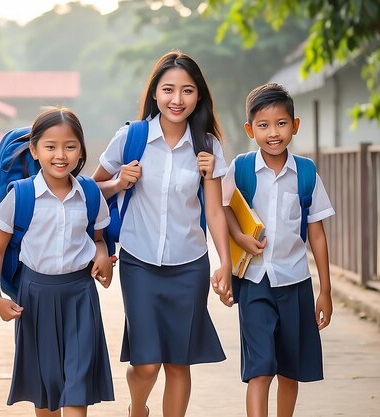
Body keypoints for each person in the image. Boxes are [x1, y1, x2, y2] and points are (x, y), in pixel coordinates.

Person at [93, 51, 233, 417]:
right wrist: (118, 181)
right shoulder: (130, 138)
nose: (177, 99)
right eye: (168, 89)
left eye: (187, 91)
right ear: (154, 92)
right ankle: (137, 407)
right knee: (147, 363)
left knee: (178, 361)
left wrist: (225, 262)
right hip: (139, 263)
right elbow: (88, 192)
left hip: (190, 266)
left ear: (198, 96)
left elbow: (215, 210)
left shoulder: (208, 147)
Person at [0, 107, 115, 417]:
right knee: (45, 393)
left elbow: (98, 238)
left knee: (76, 387)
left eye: (70, 146)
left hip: (81, 297)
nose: (61, 155)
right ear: (34, 149)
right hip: (35, 298)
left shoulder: (90, 194)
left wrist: (102, 258)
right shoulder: (21, 196)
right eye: (50, 146)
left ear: (81, 149)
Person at [221, 83, 335, 417]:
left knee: (289, 369)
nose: (274, 133)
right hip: (255, 282)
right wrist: (238, 239)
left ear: (295, 126)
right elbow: (220, 207)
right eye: (264, 125)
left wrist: (324, 290)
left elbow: (316, 232)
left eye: (282, 124)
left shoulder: (307, 173)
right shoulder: (240, 168)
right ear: (250, 129)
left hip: (296, 282)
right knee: (260, 367)